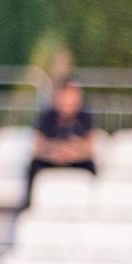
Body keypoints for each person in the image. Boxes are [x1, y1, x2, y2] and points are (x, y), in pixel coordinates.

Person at [23, 78, 98, 209]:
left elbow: (90, 146)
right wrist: (56, 151)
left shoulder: (85, 117)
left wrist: (73, 151)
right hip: (51, 159)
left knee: (91, 166)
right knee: (34, 165)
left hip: (76, 160)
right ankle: (29, 205)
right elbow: (37, 145)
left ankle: (94, 206)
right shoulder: (47, 116)